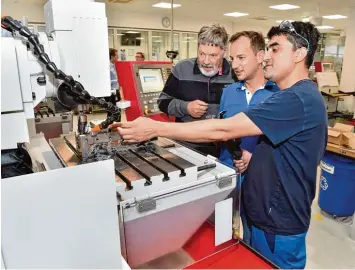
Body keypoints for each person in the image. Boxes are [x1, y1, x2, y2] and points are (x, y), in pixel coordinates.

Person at [112, 21, 327, 269]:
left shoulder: (297, 99)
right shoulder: (288, 96)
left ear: (300, 54)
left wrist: (156, 128)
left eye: (275, 49)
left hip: (278, 223)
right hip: (261, 214)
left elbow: (223, 128)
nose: (266, 57)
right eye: (267, 48)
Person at [219, 31, 279, 245]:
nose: (235, 65)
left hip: (261, 184)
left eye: (241, 58)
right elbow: (222, 130)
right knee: (222, 236)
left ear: (260, 56)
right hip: (226, 178)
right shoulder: (228, 92)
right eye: (232, 59)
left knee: (256, 242)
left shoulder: (278, 95)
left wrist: (253, 154)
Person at [157, 24, 235, 157]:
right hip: (185, 147)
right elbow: (162, 102)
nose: (206, 61)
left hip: (225, 150)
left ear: (224, 52)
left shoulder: (235, 73)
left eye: (213, 55)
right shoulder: (182, 69)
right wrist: (186, 107)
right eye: (201, 53)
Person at [109, 48, 122, 120]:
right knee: (114, 112)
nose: (118, 57)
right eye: (116, 55)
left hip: (116, 91)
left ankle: (116, 126)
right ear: (112, 56)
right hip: (112, 92)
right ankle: (113, 128)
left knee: (117, 111)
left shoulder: (114, 65)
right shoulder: (108, 67)